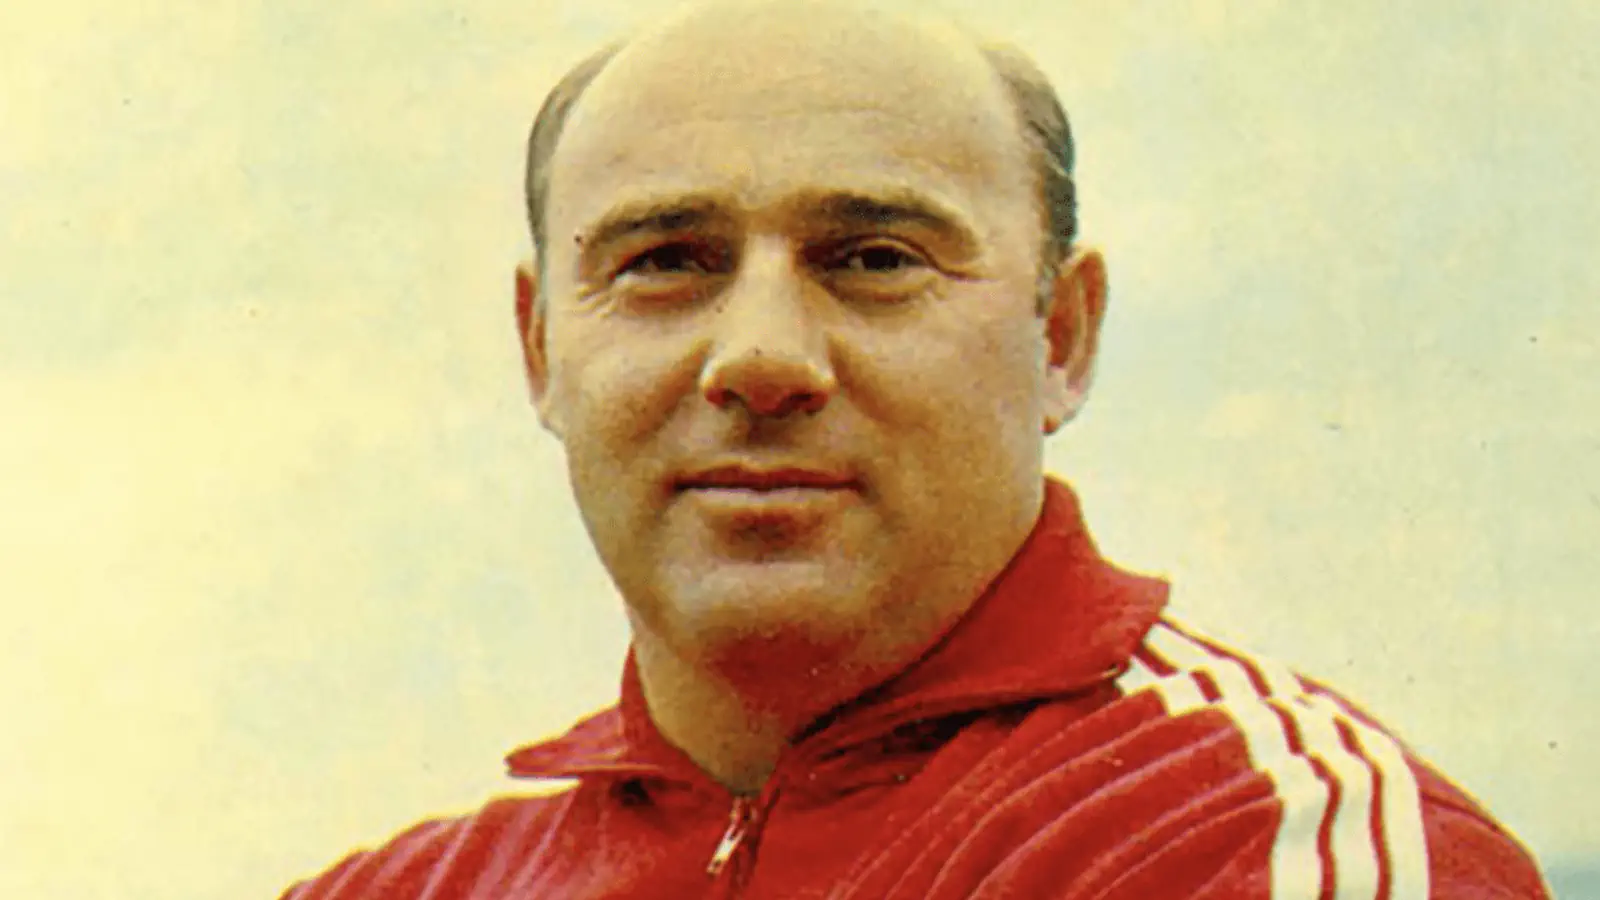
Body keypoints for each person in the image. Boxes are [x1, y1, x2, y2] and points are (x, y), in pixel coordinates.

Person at [280, 1, 1550, 896]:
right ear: (540, 347)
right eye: (665, 261)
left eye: (874, 259)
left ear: (1061, 336)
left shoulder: (1250, 841)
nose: (759, 359)